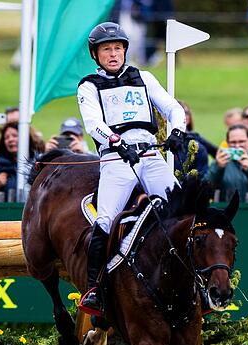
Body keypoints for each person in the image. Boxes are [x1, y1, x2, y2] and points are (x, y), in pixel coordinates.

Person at [75, 21, 187, 316]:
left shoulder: (144, 77)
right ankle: (94, 289)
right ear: (95, 55)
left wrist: (177, 131)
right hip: (116, 161)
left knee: (181, 210)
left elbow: (173, 108)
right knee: (105, 220)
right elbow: (92, 124)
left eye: (117, 48)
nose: (113, 54)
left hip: (150, 155)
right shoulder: (89, 85)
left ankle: (192, 279)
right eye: (106, 49)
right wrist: (115, 140)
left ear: (125, 50)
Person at [0, 120, 45, 194]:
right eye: (6, 137)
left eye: (15, 135)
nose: (10, 139)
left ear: (26, 138)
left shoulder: (38, 162)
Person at [175, 101, 215, 177]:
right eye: (178, 113)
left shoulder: (196, 141)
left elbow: (216, 152)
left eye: (186, 112)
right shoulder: (158, 140)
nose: (182, 115)